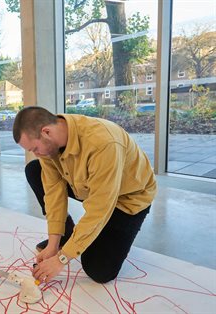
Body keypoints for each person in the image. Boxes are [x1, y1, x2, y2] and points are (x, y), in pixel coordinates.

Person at [13, 107, 156, 284]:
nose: (36, 153)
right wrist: (53, 244)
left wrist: (61, 259)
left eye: (35, 148)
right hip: (89, 185)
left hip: (128, 198)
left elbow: (99, 208)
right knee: (34, 170)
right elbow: (53, 193)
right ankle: (67, 234)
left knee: (99, 271)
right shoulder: (49, 145)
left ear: (46, 131)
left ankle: (86, 241)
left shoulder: (103, 143)